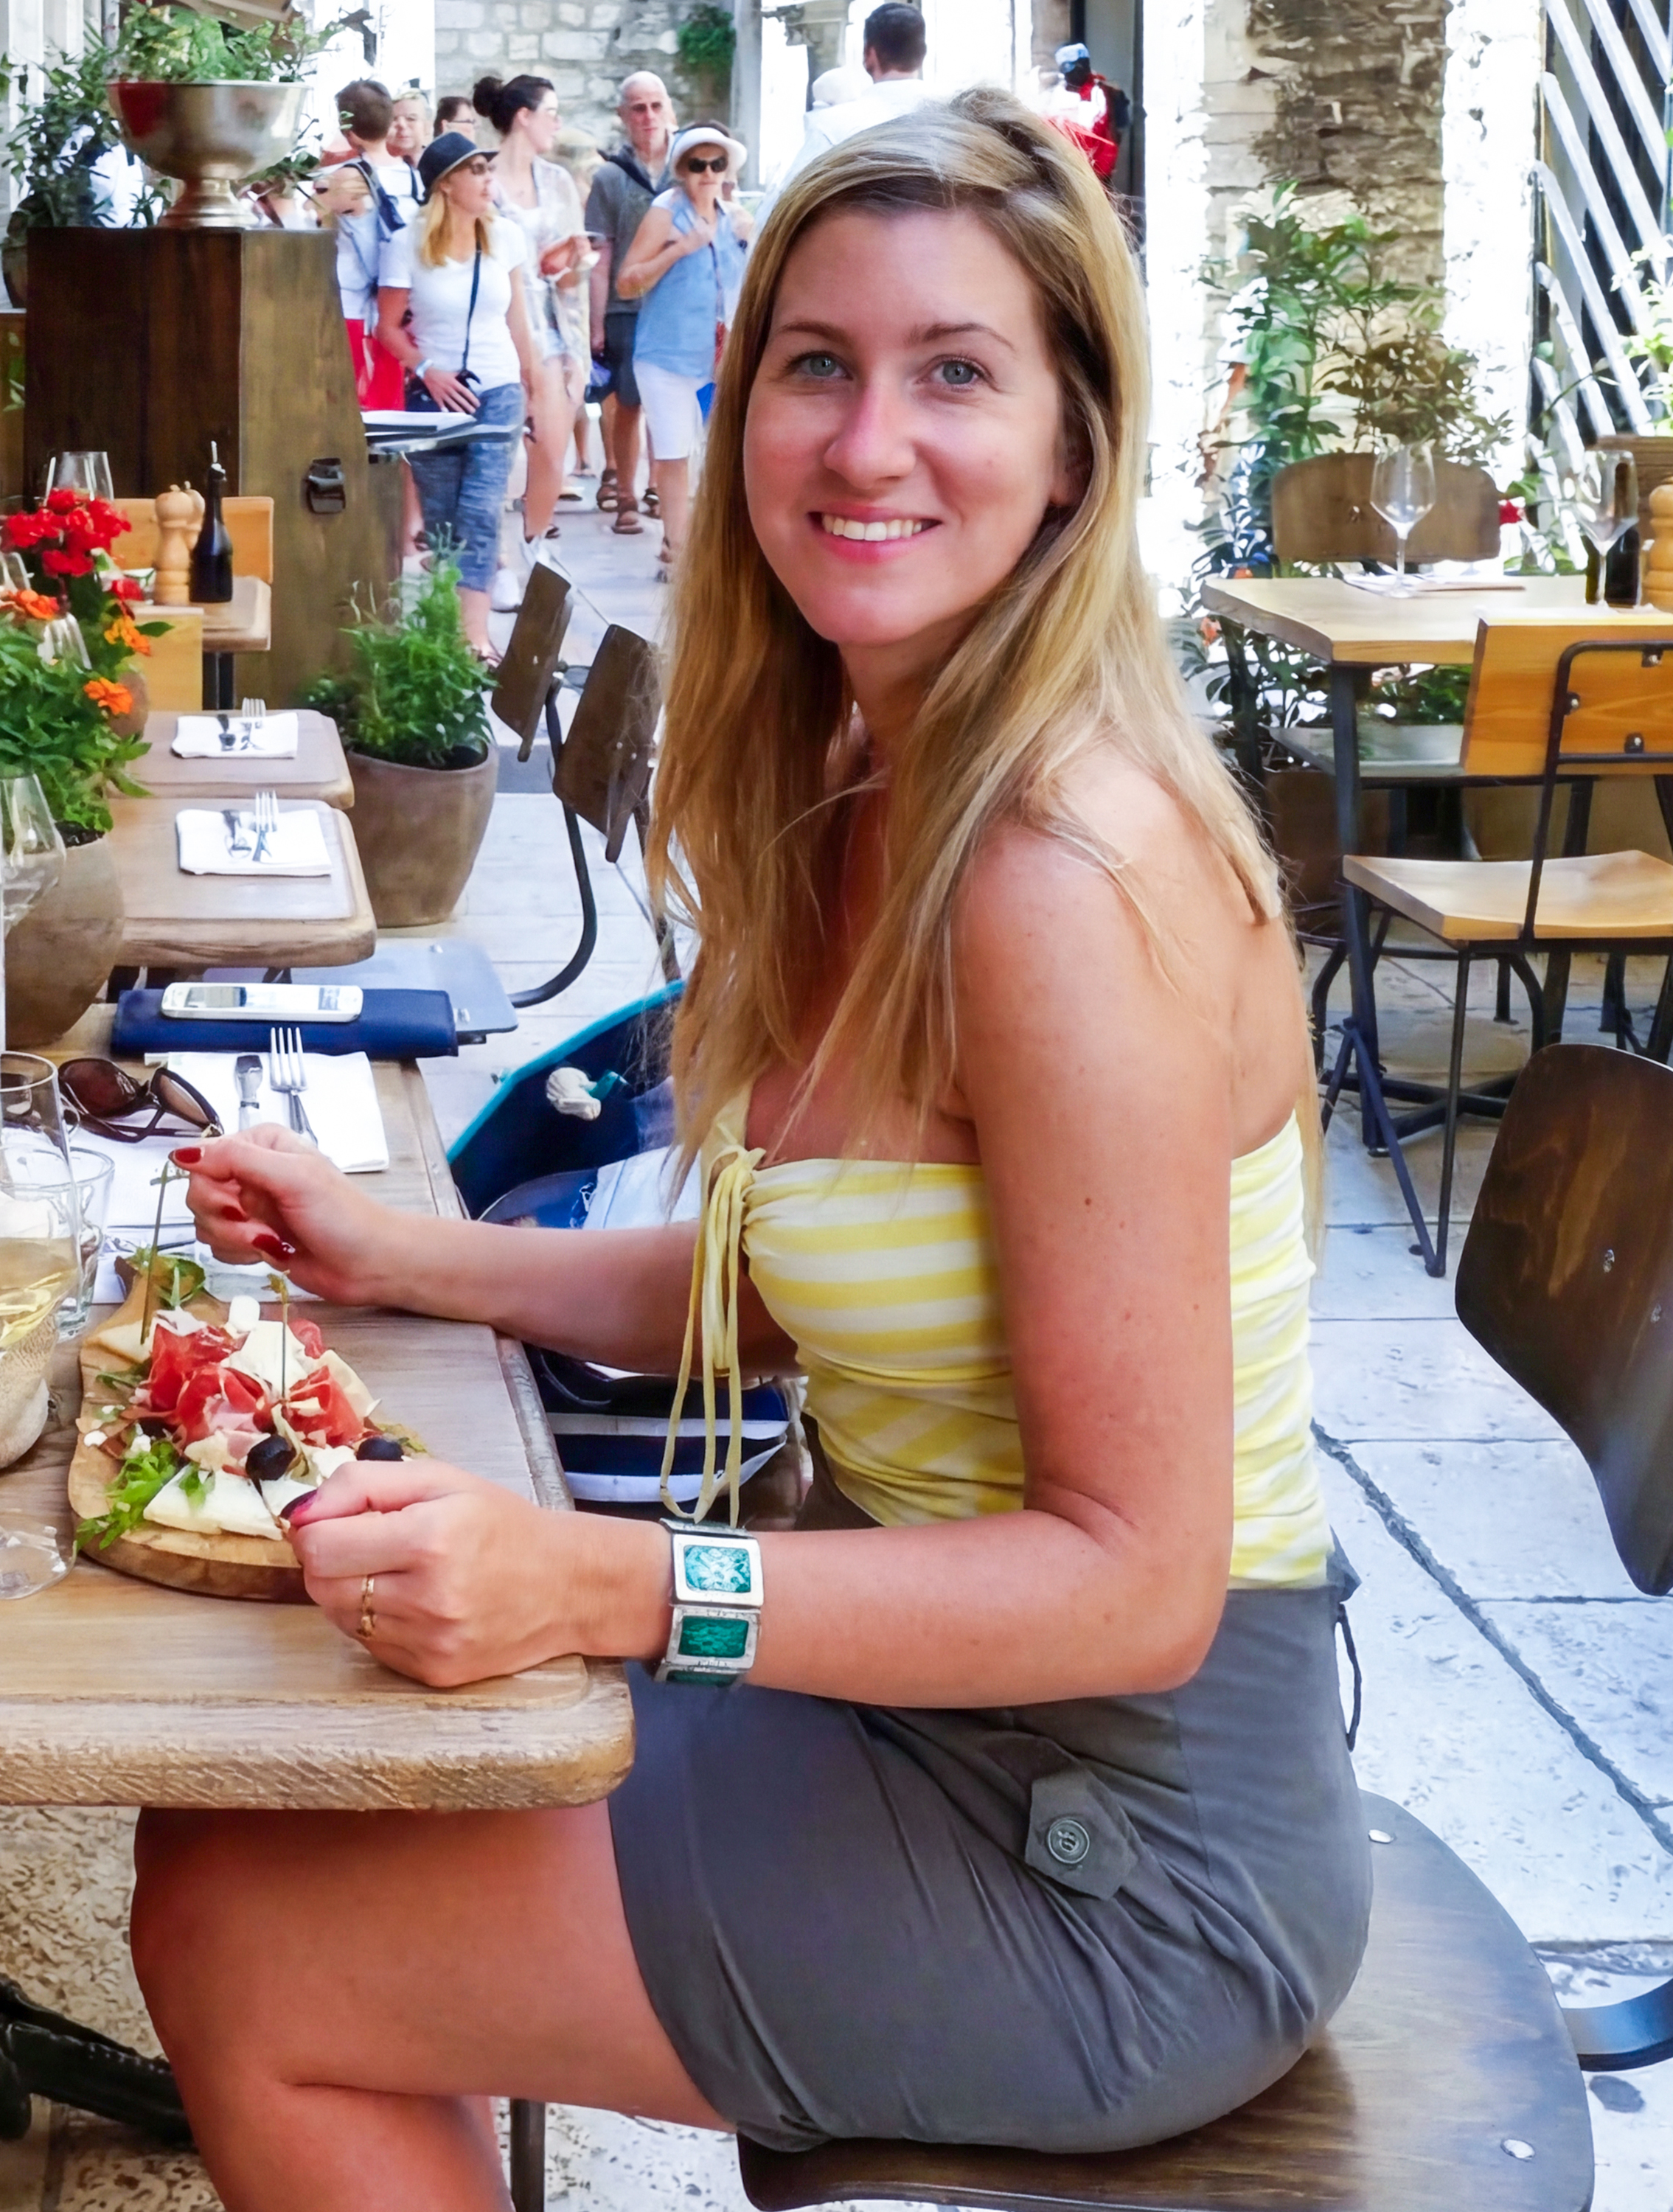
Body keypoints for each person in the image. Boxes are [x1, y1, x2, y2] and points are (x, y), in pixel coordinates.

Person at [128, 94, 1369, 2208]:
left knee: (246, 1937)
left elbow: (1138, 1584)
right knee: (259, 1802)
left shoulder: (1060, 876)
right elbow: (781, 1289)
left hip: (1118, 1849)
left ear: (1074, 444)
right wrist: (392, 1250)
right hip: (914, 1712)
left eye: (953, 372)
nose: (866, 444)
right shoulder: (863, 777)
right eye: (815, 364)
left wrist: (604, 1582)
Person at [377, 130, 547, 639]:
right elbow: (388, 328)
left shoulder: (504, 236)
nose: (489, 179)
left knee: (480, 510)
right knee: (444, 518)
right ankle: (450, 634)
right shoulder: (406, 243)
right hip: (435, 394)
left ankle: (476, 638)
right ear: (446, 184)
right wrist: (427, 368)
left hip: (497, 387)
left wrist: (533, 385)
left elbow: (519, 320)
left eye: (489, 170)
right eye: (477, 170)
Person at [614, 121, 755, 580]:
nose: (708, 173)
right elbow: (627, 282)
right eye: (698, 165)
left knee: (723, 455)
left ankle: (712, 546)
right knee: (674, 454)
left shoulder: (735, 218)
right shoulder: (666, 213)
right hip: (666, 359)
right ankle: (677, 550)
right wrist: (679, 249)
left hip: (717, 362)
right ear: (682, 169)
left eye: (717, 163)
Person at [479, 74, 594, 549]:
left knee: (551, 447)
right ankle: (492, 556)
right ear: (524, 117)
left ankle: (535, 546)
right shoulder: (481, 178)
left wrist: (573, 262)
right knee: (494, 455)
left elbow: (571, 274)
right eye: (551, 112)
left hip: (552, 326)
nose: (558, 123)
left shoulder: (558, 180)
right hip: (494, 324)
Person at [583, 69, 676, 533]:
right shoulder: (610, 178)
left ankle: (659, 486)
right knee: (628, 403)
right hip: (627, 307)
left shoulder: (692, 166)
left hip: (678, 306)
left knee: (668, 404)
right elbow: (600, 257)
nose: (649, 116)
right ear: (623, 115)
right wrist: (595, 323)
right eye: (638, 108)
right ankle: (625, 492)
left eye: (656, 106)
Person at [782, 1, 940, 183]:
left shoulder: (832, 129)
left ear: (869, 53)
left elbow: (788, 196)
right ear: (923, 53)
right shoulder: (956, 121)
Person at [329, 82, 412, 411]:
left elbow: (304, 223)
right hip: (399, 310)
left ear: (347, 130)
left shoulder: (347, 178)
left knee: (347, 410)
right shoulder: (414, 178)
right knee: (390, 412)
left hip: (352, 309)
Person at [1039, 42, 1129, 185]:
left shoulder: (1105, 93)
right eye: (1072, 69)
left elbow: (1118, 130)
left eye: (1082, 66)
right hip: (1065, 169)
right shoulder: (1055, 95)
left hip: (1098, 170)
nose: (1077, 72)